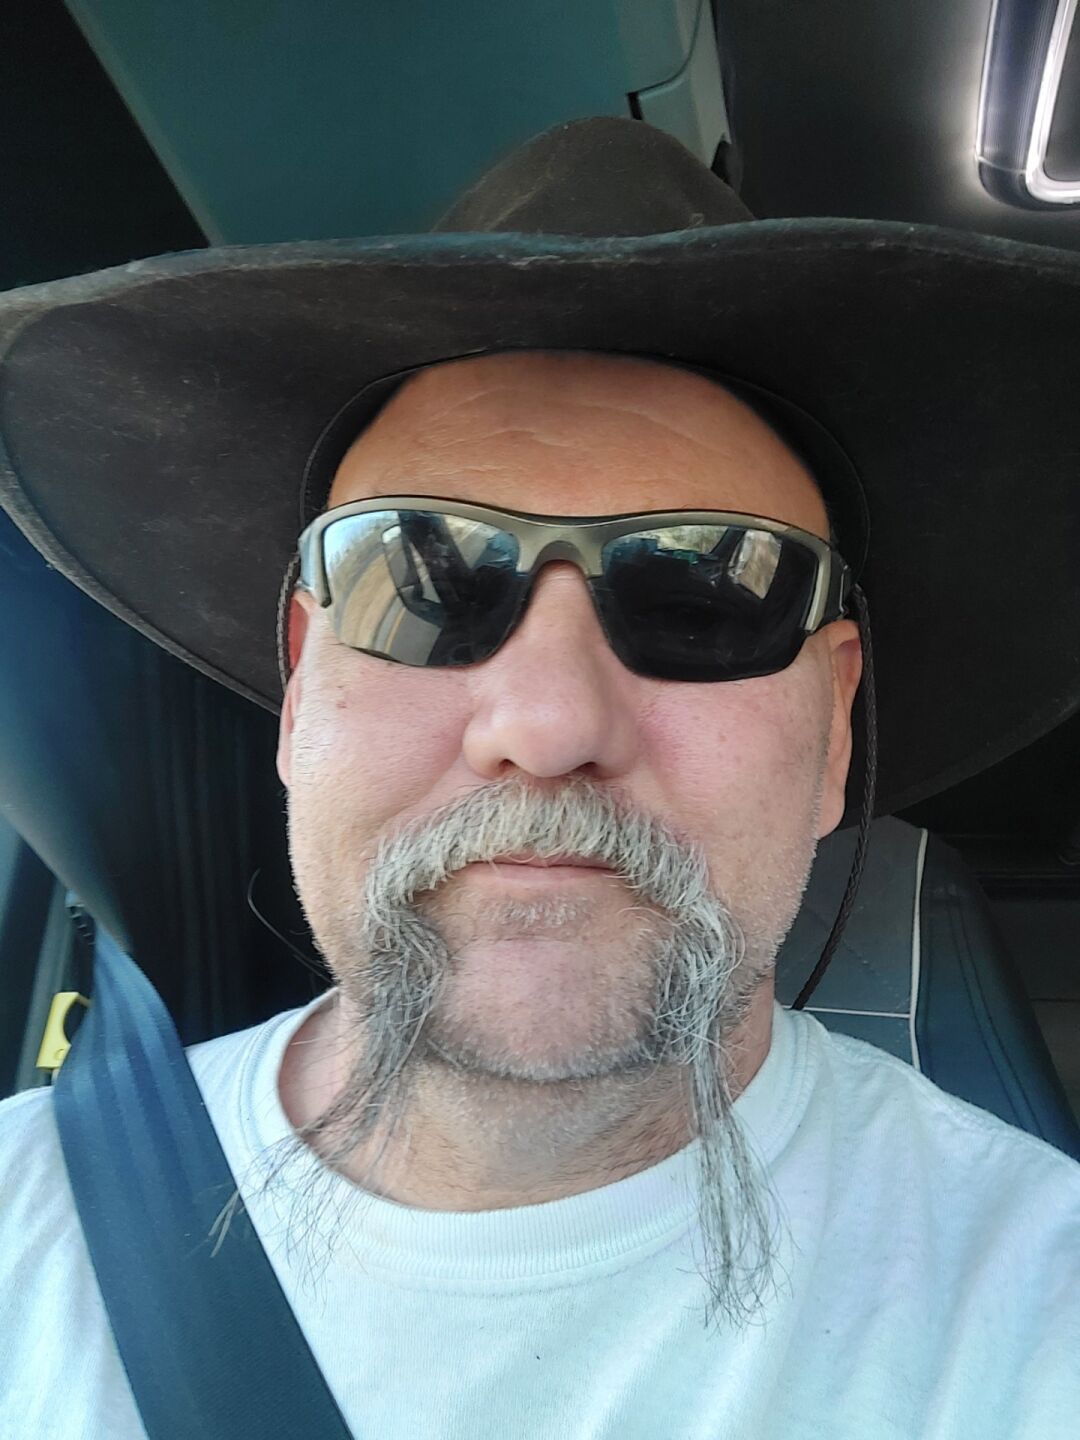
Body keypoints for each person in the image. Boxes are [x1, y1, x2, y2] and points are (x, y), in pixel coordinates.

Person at [1, 116, 1079, 1439]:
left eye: (705, 596)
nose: (549, 723)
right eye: (421, 581)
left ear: (835, 730)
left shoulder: (1039, 1306)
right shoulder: (24, 1231)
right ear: (301, 683)